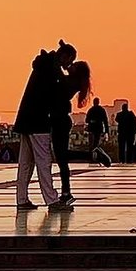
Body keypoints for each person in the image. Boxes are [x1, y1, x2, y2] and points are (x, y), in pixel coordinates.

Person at [14, 39, 76, 211]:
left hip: (26, 119)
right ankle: (51, 200)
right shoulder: (52, 69)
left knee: (26, 163)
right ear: (64, 56)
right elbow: (60, 91)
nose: (69, 65)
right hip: (39, 120)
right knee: (43, 160)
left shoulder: (44, 65)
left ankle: (21, 199)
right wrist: (72, 76)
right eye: (70, 60)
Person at [52, 60, 92, 206]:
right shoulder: (74, 82)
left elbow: (60, 78)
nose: (71, 65)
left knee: (61, 156)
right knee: (62, 158)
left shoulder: (71, 82)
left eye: (73, 65)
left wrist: (57, 63)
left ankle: (91, 155)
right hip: (62, 120)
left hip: (60, 121)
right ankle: (66, 192)